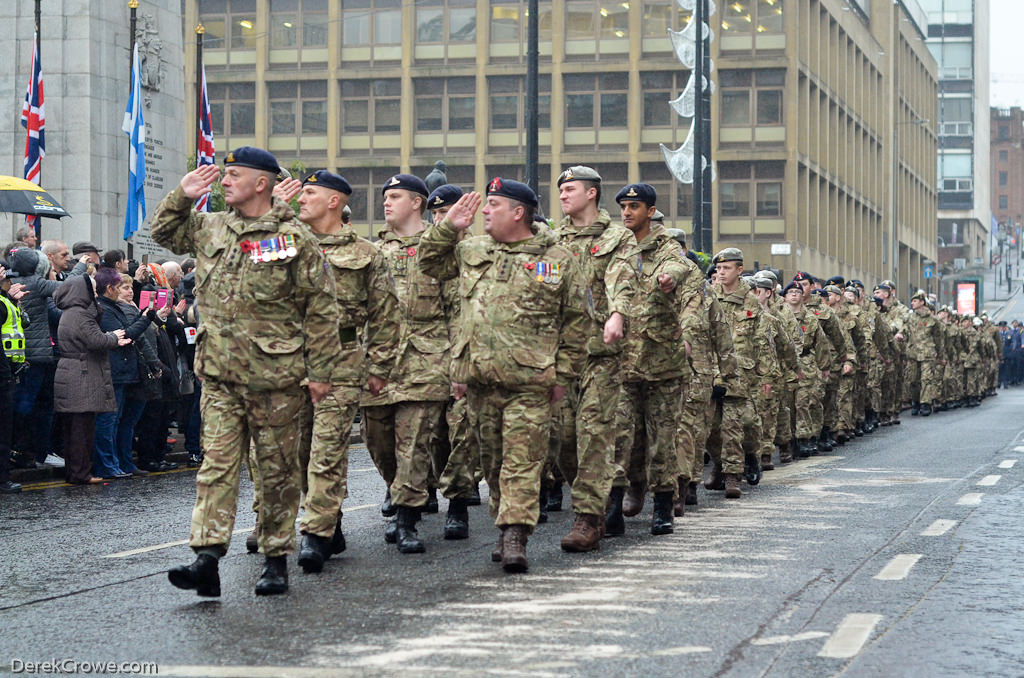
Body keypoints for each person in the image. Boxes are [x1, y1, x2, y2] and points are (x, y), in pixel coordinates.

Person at [153, 146, 342, 597]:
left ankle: (276, 557)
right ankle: (207, 557)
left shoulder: (293, 238)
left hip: (276, 378)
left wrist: (320, 372)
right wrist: (182, 195)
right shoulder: (210, 226)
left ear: (262, 183)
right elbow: (163, 231)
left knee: (276, 472)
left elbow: (321, 309)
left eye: (234, 174)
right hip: (218, 373)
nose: (224, 181)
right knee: (215, 467)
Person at [419, 179, 588, 571]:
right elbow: (427, 262)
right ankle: (504, 520)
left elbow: (578, 321)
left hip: (531, 381)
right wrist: (448, 226)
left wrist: (563, 374)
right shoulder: (472, 250)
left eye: (493, 204)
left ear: (518, 212)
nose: (485, 211)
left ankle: (515, 534)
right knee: (493, 462)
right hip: (479, 378)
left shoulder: (557, 259)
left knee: (523, 461)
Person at [281, 169, 399, 573]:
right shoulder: (283, 245)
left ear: (334, 201)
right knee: (297, 454)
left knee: (326, 451)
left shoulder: (367, 253)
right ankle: (330, 523)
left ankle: (314, 533)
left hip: (342, 360)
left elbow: (385, 314)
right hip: (289, 361)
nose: (301, 199)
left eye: (309, 193)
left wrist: (380, 365)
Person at [360, 173, 452, 554]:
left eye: (395, 196)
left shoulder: (440, 248)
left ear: (417, 202)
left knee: (415, 444)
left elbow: (457, 304)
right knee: (378, 441)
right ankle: (398, 490)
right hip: (378, 358)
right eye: (385, 196)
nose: (386, 202)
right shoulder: (369, 251)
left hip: (426, 356)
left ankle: (407, 518)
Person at [550, 165, 639, 552]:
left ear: (591, 193)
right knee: (562, 440)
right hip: (561, 355)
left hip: (602, 355)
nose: (563, 195)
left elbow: (622, 278)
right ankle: (592, 500)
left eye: (570, 188)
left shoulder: (618, 237)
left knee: (594, 434)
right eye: (561, 189)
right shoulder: (551, 240)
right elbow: (542, 284)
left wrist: (617, 313)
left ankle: (588, 518)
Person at [605, 183, 699, 535]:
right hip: (622, 363)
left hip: (662, 363)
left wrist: (668, 278)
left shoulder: (666, 247)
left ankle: (663, 505)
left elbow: (680, 267)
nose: (627, 212)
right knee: (619, 437)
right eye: (624, 207)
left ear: (650, 210)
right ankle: (612, 507)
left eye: (634, 206)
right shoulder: (617, 247)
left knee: (662, 439)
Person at [52, 275, 132, 485]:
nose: (96, 295)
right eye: (93, 291)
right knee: (82, 428)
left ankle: (75, 471)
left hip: (71, 371)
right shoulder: (81, 314)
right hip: (83, 374)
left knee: (72, 428)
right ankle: (81, 473)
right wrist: (114, 336)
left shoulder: (69, 312)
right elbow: (95, 340)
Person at [0, 260, 30, 493]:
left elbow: (24, 324)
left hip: (9, 371)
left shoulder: (6, 302)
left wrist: (13, 301)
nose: (11, 282)